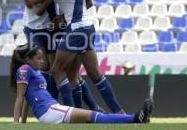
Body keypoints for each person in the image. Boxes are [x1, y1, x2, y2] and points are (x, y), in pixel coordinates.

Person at [41, 0, 124, 113]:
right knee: (94, 75)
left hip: (77, 29)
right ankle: (119, 113)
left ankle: (70, 113)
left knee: (56, 70)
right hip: (85, 29)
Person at [10, 43, 153, 124]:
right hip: (50, 111)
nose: (42, 61)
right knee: (95, 116)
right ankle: (135, 118)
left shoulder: (34, 71)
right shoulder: (24, 69)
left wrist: (23, 123)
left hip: (52, 110)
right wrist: (16, 124)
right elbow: (20, 98)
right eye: (39, 58)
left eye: (42, 58)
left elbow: (28, 100)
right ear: (28, 59)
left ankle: (136, 118)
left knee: (92, 118)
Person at [17, 0, 70, 99]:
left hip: (51, 27)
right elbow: (33, 1)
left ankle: (54, 103)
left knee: (55, 69)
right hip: (34, 28)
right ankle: (48, 103)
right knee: (43, 66)